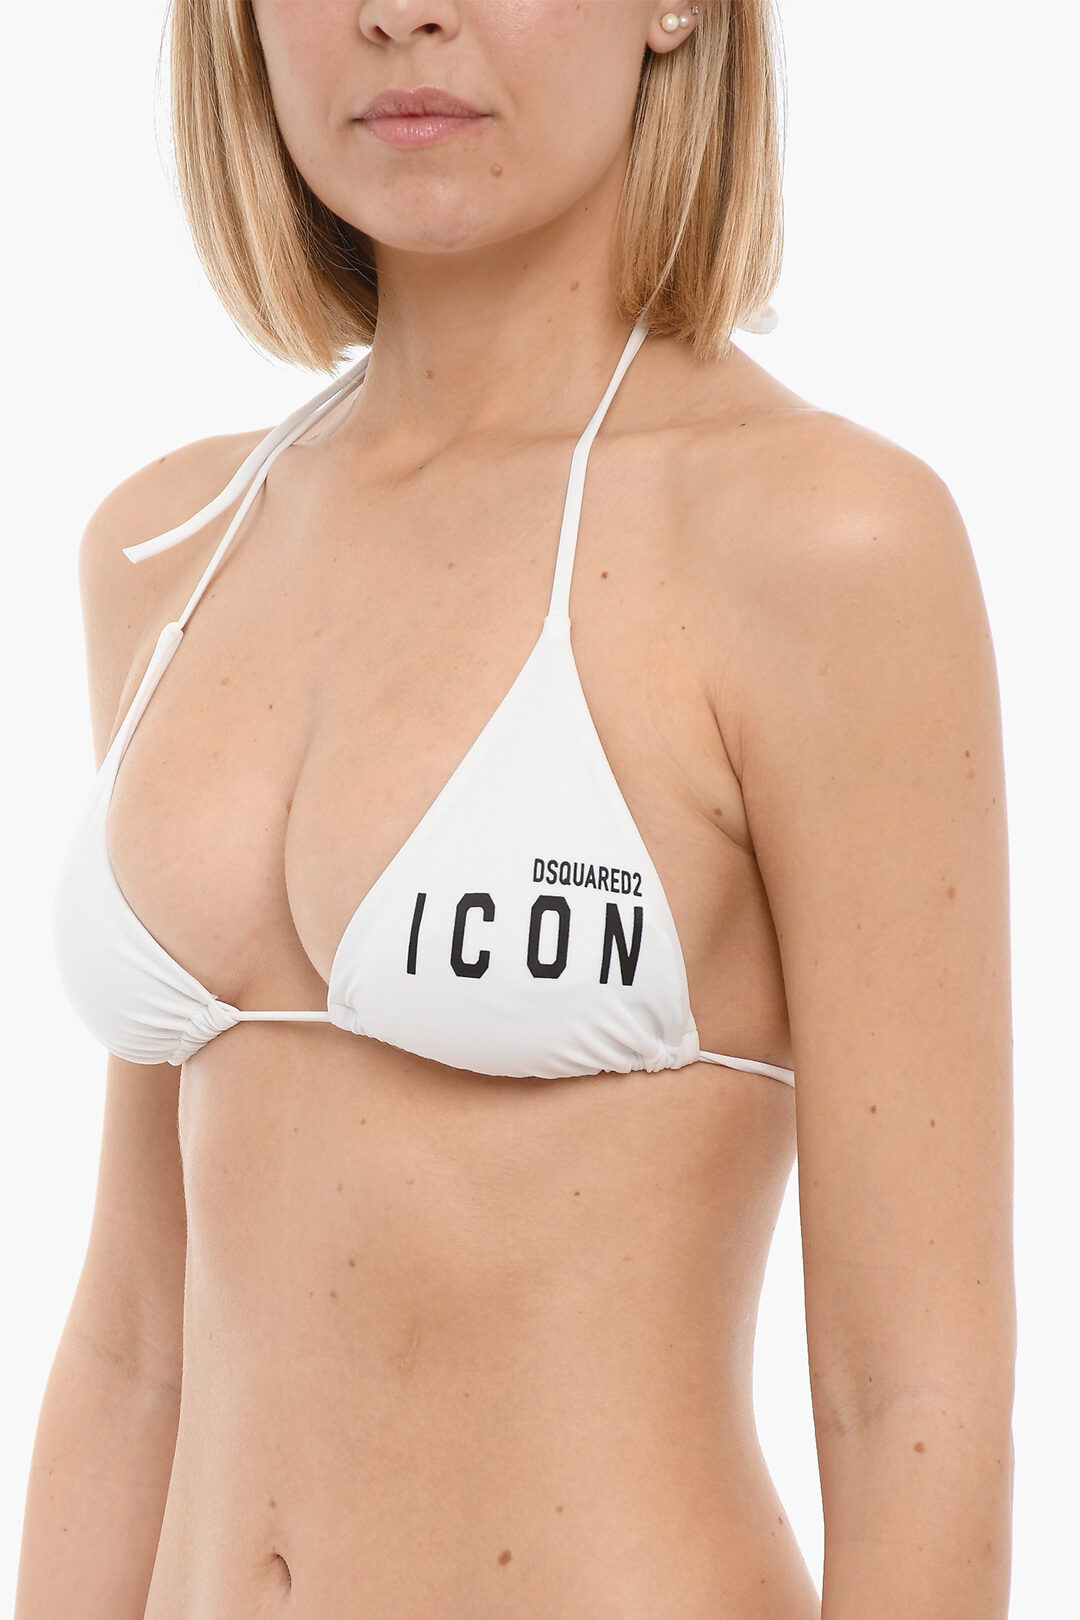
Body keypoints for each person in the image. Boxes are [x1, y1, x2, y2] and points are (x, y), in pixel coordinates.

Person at [15, 2, 1016, 1616]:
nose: (403, 14)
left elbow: (909, 1400)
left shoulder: (821, 541)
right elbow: (137, 1343)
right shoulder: (172, 549)